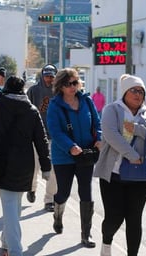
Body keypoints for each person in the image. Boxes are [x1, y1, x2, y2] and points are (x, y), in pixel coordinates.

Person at [0, 76, 51, 256]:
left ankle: (15, 250)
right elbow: (41, 140)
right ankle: (5, 241)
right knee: (15, 205)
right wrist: (46, 166)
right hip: (25, 164)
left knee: (10, 206)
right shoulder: (32, 110)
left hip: (1, 163)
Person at [94, 74, 146, 256]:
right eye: (134, 90)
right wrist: (131, 154)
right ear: (125, 92)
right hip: (114, 175)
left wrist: (139, 129)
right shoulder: (113, 109)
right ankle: (107, 243)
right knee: (114, 218)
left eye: (141, 91)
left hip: (140, 175)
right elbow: (111, 135)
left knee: (134, 219)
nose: (138, 94)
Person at [46, 68, 102, 248]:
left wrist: (99, 138)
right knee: (64, 192)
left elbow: (97, 122)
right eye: (69, 84)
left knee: (86, 192)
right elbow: (54, 131)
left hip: (85, 154)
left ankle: (86, 234)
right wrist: (70, 147)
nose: (73, 87)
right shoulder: (55, 105)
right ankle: (58, 213)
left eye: (75, 83)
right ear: (61, 86)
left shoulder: (86, 101)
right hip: (64, 156)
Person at [26, 64, 58, 212]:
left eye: (52, 76)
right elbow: (26, 110)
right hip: (35, 135)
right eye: (47, 76)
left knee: (52, 170)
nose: (49, 79)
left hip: (53, 136)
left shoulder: (59, 92)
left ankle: (49, 199)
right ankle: (31, 188)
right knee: (33, 166)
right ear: (42, 76)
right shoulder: (33, 90)